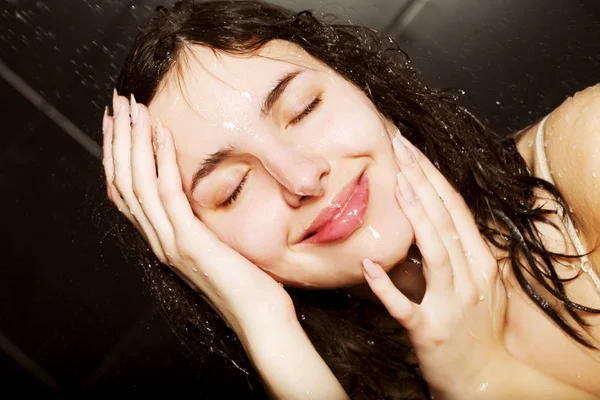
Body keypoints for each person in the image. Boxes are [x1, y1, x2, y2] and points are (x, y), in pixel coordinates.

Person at [101, 1, 600, 398]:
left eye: (304, 109)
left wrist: (479, 375)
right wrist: (266, 325)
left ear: (365, 87)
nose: (301, 178)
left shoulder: (589, 151)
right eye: (232, 190)